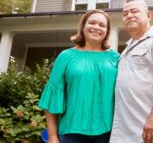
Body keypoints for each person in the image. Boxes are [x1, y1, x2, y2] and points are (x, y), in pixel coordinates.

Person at [38, 9, 119, 143]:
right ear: (83, 27)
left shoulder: (115, 58)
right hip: (71, 133)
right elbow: (53, 97)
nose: (96, 27)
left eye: (102, 25)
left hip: (108, 133)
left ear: (107, 31)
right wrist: (52, 137)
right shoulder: (66, 56)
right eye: (92, 23)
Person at [110, 0, 153, 143]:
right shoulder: (126, 50)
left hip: (151, 134)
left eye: (134, 11)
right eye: (125, 13)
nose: (129, 15)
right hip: (125, 134)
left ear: (148, 15)